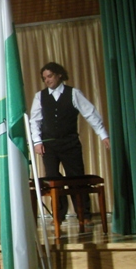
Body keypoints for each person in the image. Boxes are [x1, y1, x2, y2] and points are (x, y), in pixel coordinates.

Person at [29, 62, 110, 223]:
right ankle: (58, 215)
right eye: (44, 78)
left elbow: (90, 114)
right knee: (53, 179)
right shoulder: (40, 96)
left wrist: (103, 135)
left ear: (59, 75)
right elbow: (35, 121)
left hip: (70, 143)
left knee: (76, 178)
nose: (47, 80)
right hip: (49, 145)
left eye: (50, 76)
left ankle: (84, 215)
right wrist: (37, 141)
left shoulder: (73, 93)